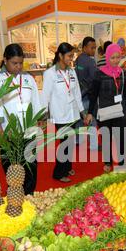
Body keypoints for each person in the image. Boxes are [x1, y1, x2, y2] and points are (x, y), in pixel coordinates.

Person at [0, 44, 43, 195]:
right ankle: (17, 196)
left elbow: (36, 101)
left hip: (29, 130)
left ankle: (29, 195)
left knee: (31, 165)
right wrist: (0, 133)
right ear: (5, 60)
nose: (18, 67)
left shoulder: (28, 78)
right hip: (8, 133)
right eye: (14, 63)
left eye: (20, 63)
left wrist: (39, 122)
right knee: (13, 169)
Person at [86, 43, 126, 173]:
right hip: (104, 112)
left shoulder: (123, 74)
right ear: (107, 57)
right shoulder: (99, 74)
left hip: (120, 112)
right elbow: (93, 95)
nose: (116, 60)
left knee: (121, 138)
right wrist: (90, 113)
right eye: (113, 57)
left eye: (118, 57)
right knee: (106, 138)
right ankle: (108, 162)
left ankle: (122, 161)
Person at [43, 42, 84, 183]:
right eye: (69, 56)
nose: (71, 58)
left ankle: (67, 167)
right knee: (64, 144)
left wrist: (82, 111)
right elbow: (46, 96)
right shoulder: (49, 73)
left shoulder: (71, 71)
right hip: (60, 115)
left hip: (72, 113)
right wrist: (43, 115)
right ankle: (59, 173)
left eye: (72, 56)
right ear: (60, 55)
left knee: (70, 142)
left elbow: (77, 92)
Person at [75, 36, 99, 151]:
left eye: (95, 48)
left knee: (79, 119)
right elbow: (94, 80)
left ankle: (78, 140)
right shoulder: (90, 61)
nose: (94, 50)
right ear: (84, 47)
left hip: (79, 95)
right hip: (88, 96)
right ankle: (94, 145)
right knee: (91, 119)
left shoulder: (78, 59)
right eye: (91, 48)